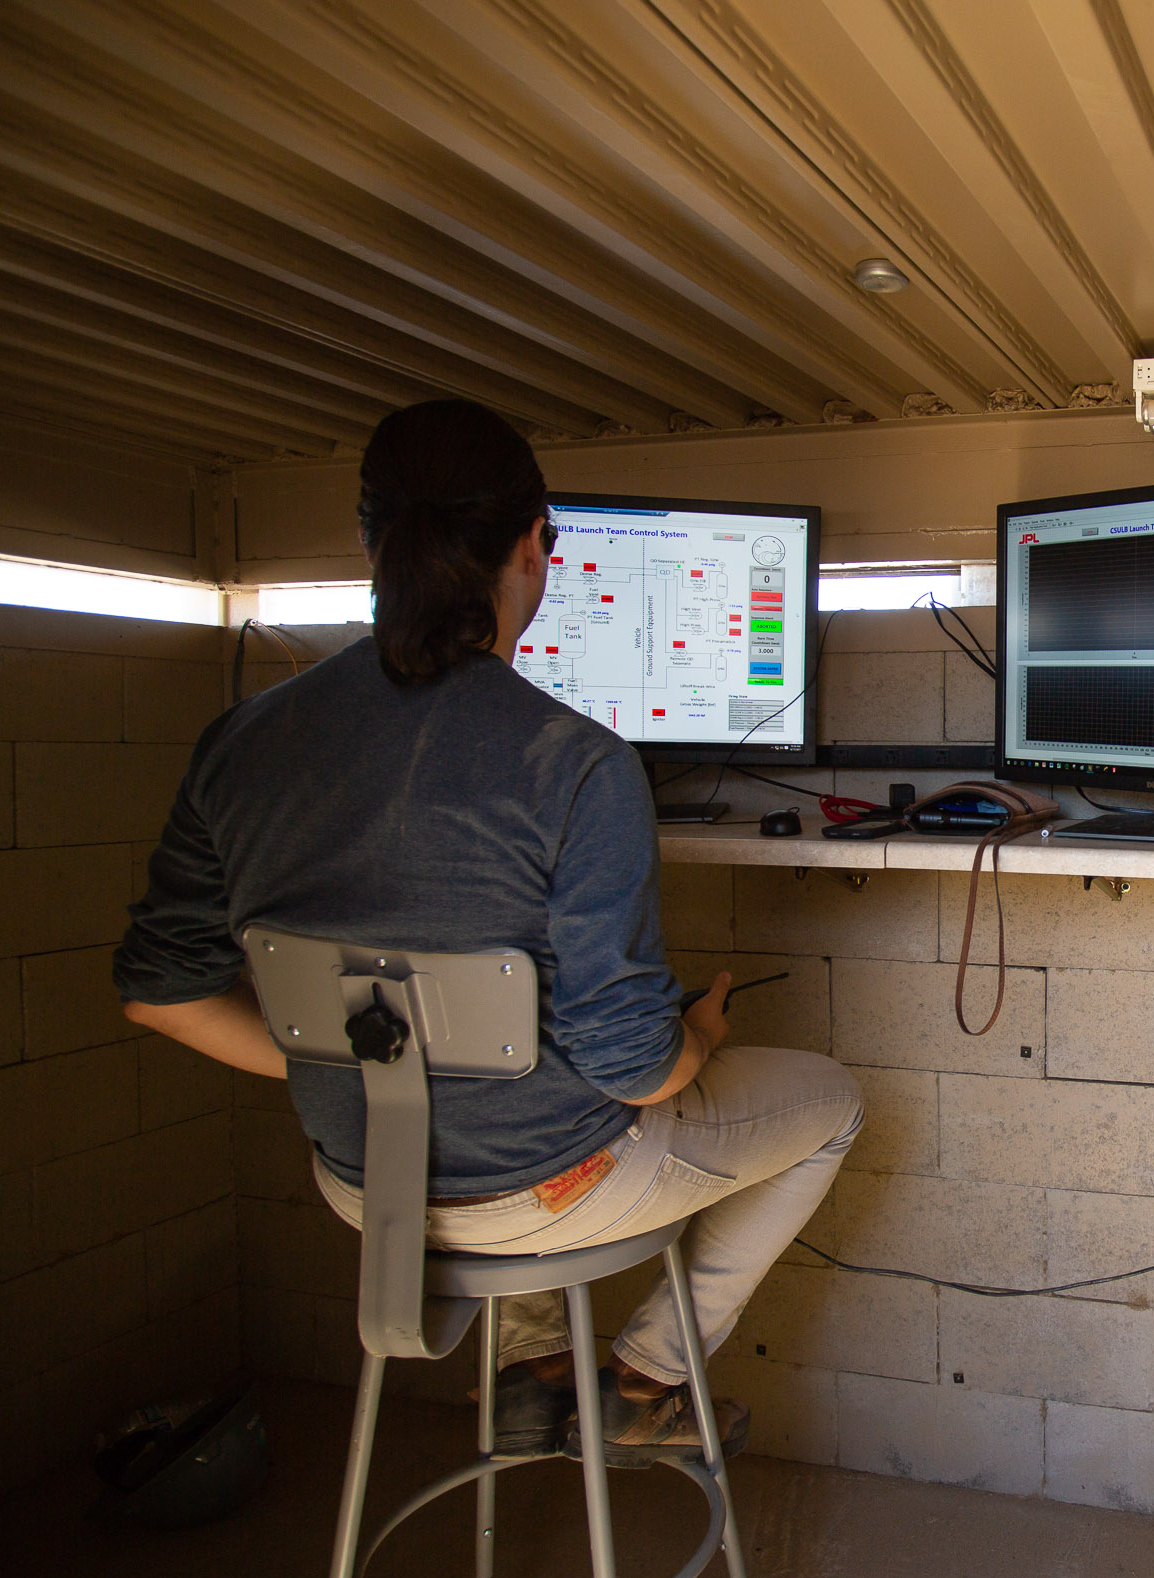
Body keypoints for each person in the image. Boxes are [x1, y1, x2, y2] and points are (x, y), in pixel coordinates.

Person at [114, 398, 859, 1465]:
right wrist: (700, 1032)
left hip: (363, 1180)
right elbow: (636, 1069)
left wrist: (373, 1053)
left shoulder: (238, 746)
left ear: (371, 544)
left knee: (535, 1086)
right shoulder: (579, 764)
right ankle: (646, 1376)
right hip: (544, 1191)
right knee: (830, 1104)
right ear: (532, 548)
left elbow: (159, 992)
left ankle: (536, 1367)